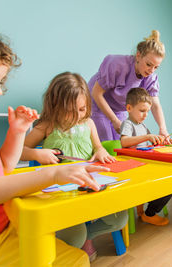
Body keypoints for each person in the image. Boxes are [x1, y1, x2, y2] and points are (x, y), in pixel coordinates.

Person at [0, 18, 106, 266]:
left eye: (0, 81)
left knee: (75, 255)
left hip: (2, 228)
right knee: (74, 259)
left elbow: (3, 167)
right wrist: (53, 174)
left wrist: (17, 131)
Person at [21, 72, 128, 261]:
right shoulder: (47, 125)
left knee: (120, 218)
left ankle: (87, 235)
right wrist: (37, 153)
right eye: (69, 110)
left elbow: (98, 147)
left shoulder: (89, 123)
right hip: (62, 193)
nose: (77, 115)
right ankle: (74, 241)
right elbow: (20, 150)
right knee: (74, 236)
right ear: (55, 106)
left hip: (90, 186)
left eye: (81, 108)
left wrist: (101, 151)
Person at [88, 30, 169, 141]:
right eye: (149, 64)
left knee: (121, 142)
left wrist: (163, 129)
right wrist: (114, 120)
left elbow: (155, 105)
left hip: (118, 109)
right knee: (106, 139)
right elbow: (96, 93)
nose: (151, 70)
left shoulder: (151, 78)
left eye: (156, 67)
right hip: (96, 103)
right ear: (138, 55)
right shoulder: (117, 65)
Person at [120, 87, 172, 226]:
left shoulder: (143, 125)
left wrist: (168, 141)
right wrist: (146, 136)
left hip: (146, 166)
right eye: (142, 111)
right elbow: (124, 141)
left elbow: (153, 141)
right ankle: (149, 214)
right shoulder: (128, 124)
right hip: (135, 170)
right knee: (168, 184)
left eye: (147, 111)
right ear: (129, 108)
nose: (145, 114)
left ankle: (148, 210)